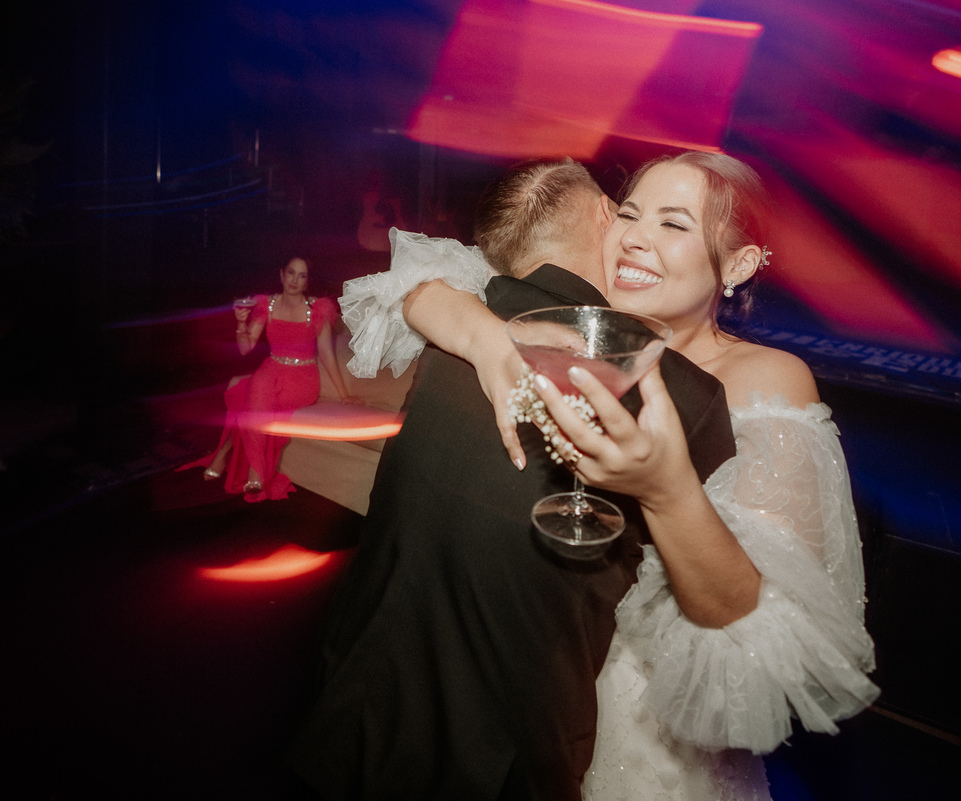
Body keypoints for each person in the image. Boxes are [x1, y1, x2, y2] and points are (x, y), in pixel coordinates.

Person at [328, 152, 880, 800]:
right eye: (629, 214)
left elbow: (751, 625)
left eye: (673, 223)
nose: (636, 238)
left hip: (650, 741)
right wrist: (484, 337)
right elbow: (416, 282)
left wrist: (666, 490)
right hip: (536, 720)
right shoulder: (578, 329)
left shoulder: (766, 378)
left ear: (738, 265)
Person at [285, 159, 737, 800]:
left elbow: (413, 283)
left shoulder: (459, 315)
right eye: (629, 214)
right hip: (503, 761)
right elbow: (723, 619)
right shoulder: (685, 395)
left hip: (353, 709)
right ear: (604, 216)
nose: (637, 237)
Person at [180, 257, 358, 502]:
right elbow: (245, 348)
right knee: (258, 387)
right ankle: (253, 470)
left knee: (253, 399)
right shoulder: (268, 305)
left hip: (301, 380)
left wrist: (344, 394)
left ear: (307, 282)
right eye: (291, 273)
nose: (295, 280)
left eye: (302, 276)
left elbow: (327, 355)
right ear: (281, 274)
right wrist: (241, 323)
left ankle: (225, 455)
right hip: (270, 371)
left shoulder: (317, 309)